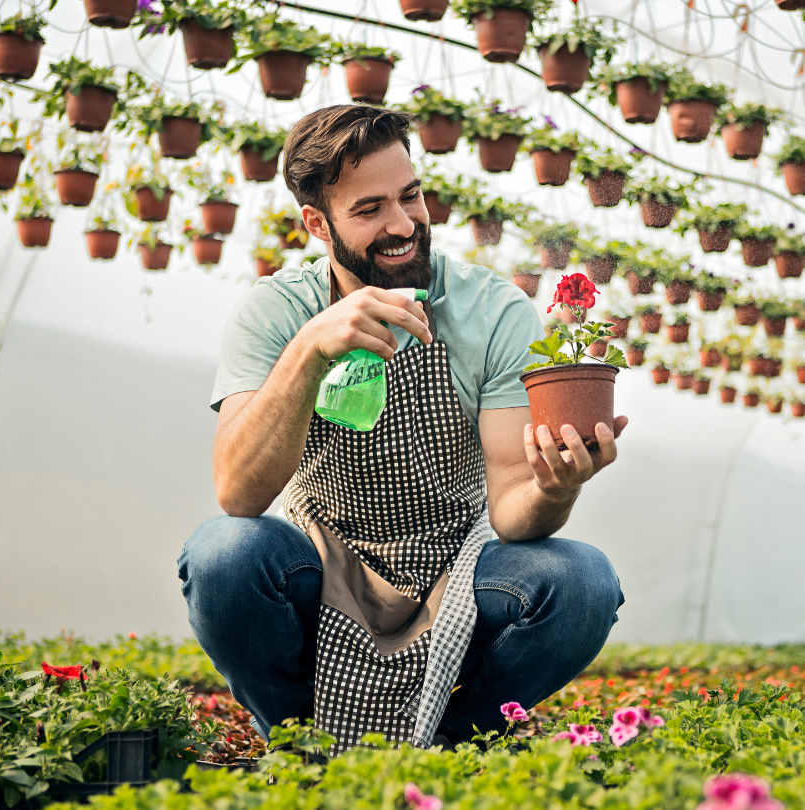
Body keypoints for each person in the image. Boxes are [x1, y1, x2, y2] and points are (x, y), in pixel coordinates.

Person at [178, 105, 626, 755]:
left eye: (410, 197)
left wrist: (557, 488)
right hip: (321, 562)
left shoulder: (492, 309)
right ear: (317, 224)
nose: (403, 224)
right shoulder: (276, 311)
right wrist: (309, 350)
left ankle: (459, 738)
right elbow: (239, 494)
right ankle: (298, 738)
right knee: (224, 555)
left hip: (461, 565)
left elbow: (511, 509)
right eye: (369, 210)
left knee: (583, 581)